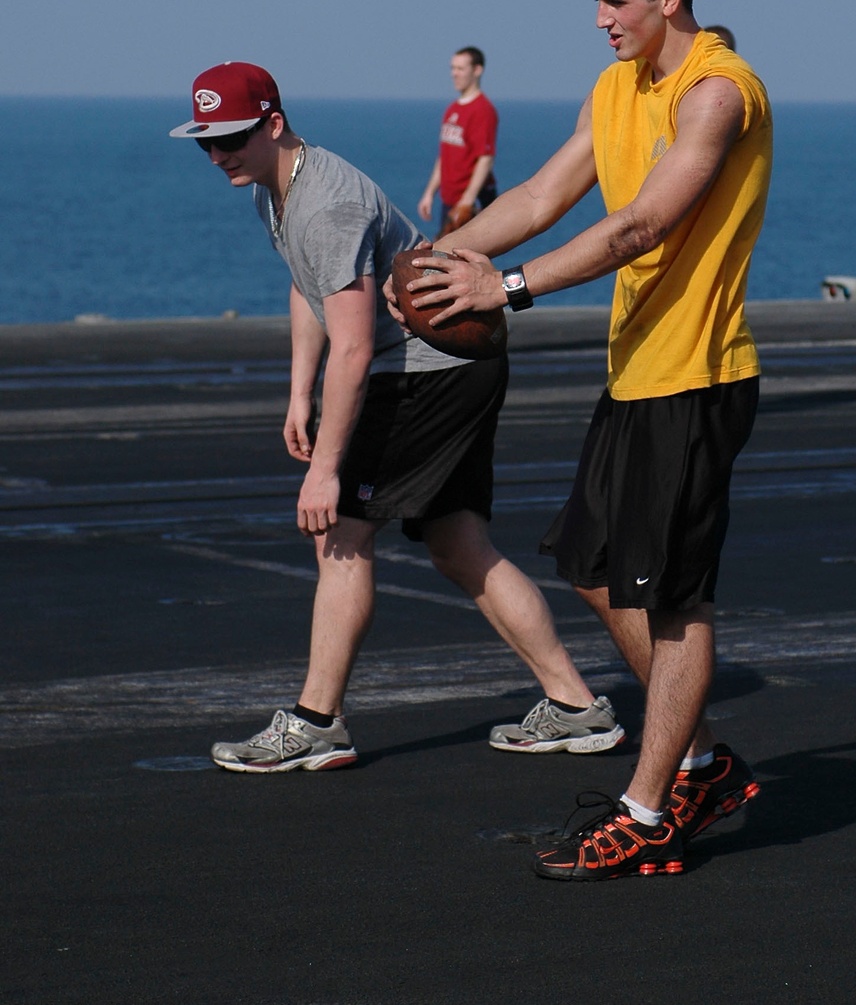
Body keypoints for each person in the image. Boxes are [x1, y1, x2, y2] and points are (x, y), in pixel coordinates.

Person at [391, 0, 772, 878]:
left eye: (616, 2)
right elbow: (539, 192)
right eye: (596, 1)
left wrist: (507, 288)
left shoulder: (717, 90)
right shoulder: (616, 89)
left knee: (677, 601)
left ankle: (650, 811)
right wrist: (450, 255)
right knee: (596, 570)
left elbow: (643, 220)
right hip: (638, 373)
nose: (601, 19)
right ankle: (701, 761)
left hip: (701, 375)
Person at [168, 62, 623, 773]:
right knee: (458, 542)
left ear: (274, 124)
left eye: (230, 138)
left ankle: (319, 720)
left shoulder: (326, 204)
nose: (217, 154)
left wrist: (325, 472)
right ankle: (575, 705)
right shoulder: (275, 191)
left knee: (341, 532)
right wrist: (297, 393)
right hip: (445, 368)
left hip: (426, 371)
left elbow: (353, 347)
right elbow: (306, 286)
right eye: (205, 143)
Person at [418, 47, 498, 236]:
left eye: (460, 69)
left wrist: (468, 201)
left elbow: (485, 158)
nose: (454, 74)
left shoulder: (482, 110)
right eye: (452, 68)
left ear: (477, 70)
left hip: (471, 201)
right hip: (450, 200)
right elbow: (444, 156)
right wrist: (429, 193)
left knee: (459, 258)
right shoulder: (452, 109)